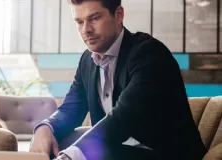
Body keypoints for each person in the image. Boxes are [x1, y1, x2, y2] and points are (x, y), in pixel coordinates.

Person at [29, 0, 206, 159]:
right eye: (79, 22)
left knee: (83, 151)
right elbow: (71, 108)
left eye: (94, 18)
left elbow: (124, 117)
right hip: (118, 149)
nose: (86, 30)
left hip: (163, 154)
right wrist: (46, 127)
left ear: (119, 15)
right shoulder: (87, 60)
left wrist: (71, 156)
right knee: (55, 142)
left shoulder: (149, 54)